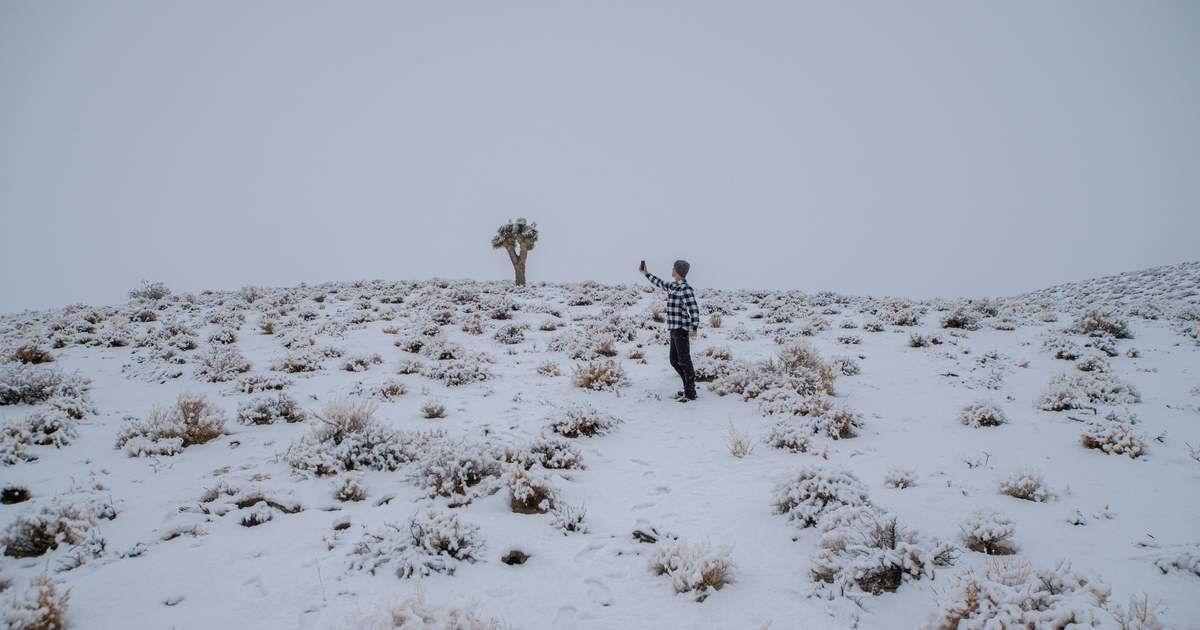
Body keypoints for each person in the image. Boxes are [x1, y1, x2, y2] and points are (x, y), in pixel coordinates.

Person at [639, 259, 700, 402]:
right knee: (674, 361)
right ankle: (687, 388)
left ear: (679, 271)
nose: (671, 269)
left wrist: (694, 328)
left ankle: (690, 393)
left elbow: (694, 309)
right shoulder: (673, 286)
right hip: (673, 329)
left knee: (685, 361)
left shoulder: (685, 289)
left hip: (681, 329)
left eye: (674, 268)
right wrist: (646, 273)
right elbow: (659, 282)